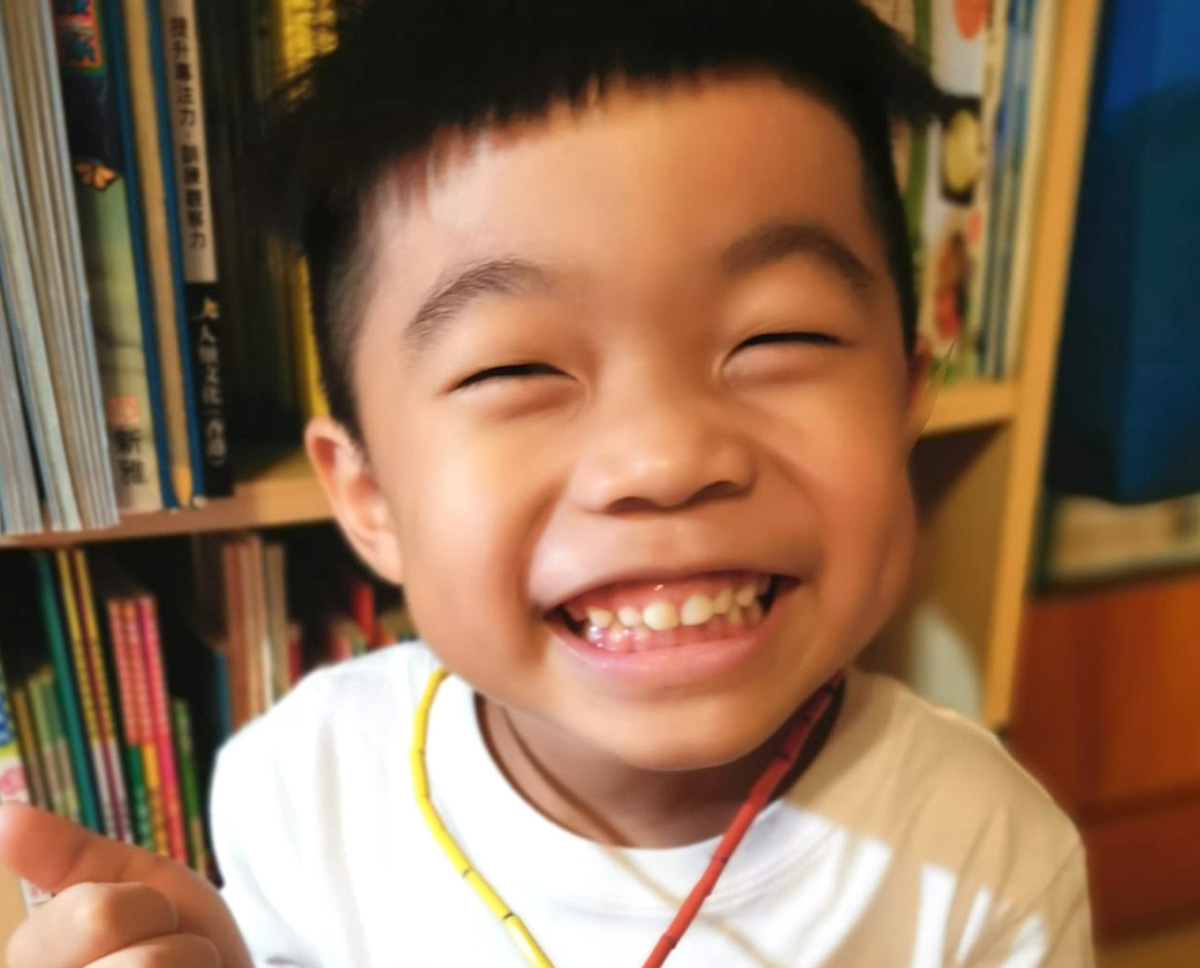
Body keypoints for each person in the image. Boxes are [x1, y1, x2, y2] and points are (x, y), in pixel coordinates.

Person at [0, 0, 1096, 965]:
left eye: (779, 338)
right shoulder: (304, 786)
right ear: (370, 498)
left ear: (905, 402)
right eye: (516, 369)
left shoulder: (987, 855)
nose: (664, 459)